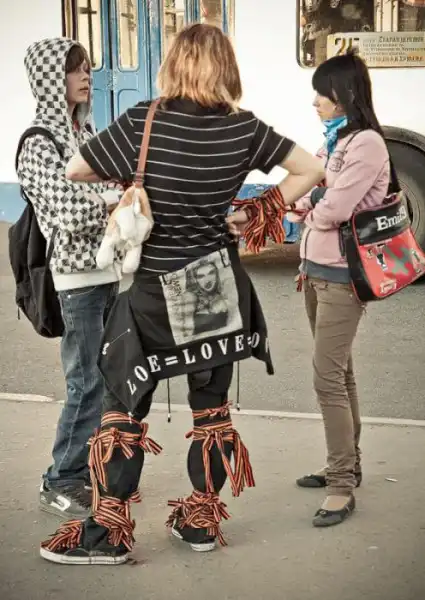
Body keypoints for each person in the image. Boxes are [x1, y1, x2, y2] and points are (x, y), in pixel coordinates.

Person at [40, 23, 324, 566]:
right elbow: (311, 168)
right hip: (215, 286)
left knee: (122, 410)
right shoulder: (244, 127)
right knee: (211, 410)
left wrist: (131, 184)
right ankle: (199, 523)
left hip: (152, 294)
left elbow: (76, 168)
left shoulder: (144, 120)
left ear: (174, 64)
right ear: (227, 67)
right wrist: (256, 211)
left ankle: (110, 532)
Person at [17, 38, 121, 519]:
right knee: (85, 382)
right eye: (73, 70)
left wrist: (110, 197)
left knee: (109, 378)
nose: (85, 77)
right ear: (47, 79)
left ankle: (89, 470)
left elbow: (112, 187)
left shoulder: (86, 133)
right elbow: (67, 212)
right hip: (76, 280)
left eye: (87, 68)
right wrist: (113, 203)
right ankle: (61, 478)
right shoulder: (38, 143)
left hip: (109, 273)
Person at [287, 50, 390, 527]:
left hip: (342, 277)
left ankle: (341, 487)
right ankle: (347, 464)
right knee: (340, 373)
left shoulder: (366, 144)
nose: (315, 103)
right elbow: (309, 197)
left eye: (321, 94)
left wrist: (312, 203)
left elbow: (334, 208)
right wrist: (311, 202)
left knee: (326, 379)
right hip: (315, 270)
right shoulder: (336, 140)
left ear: (343, 94)